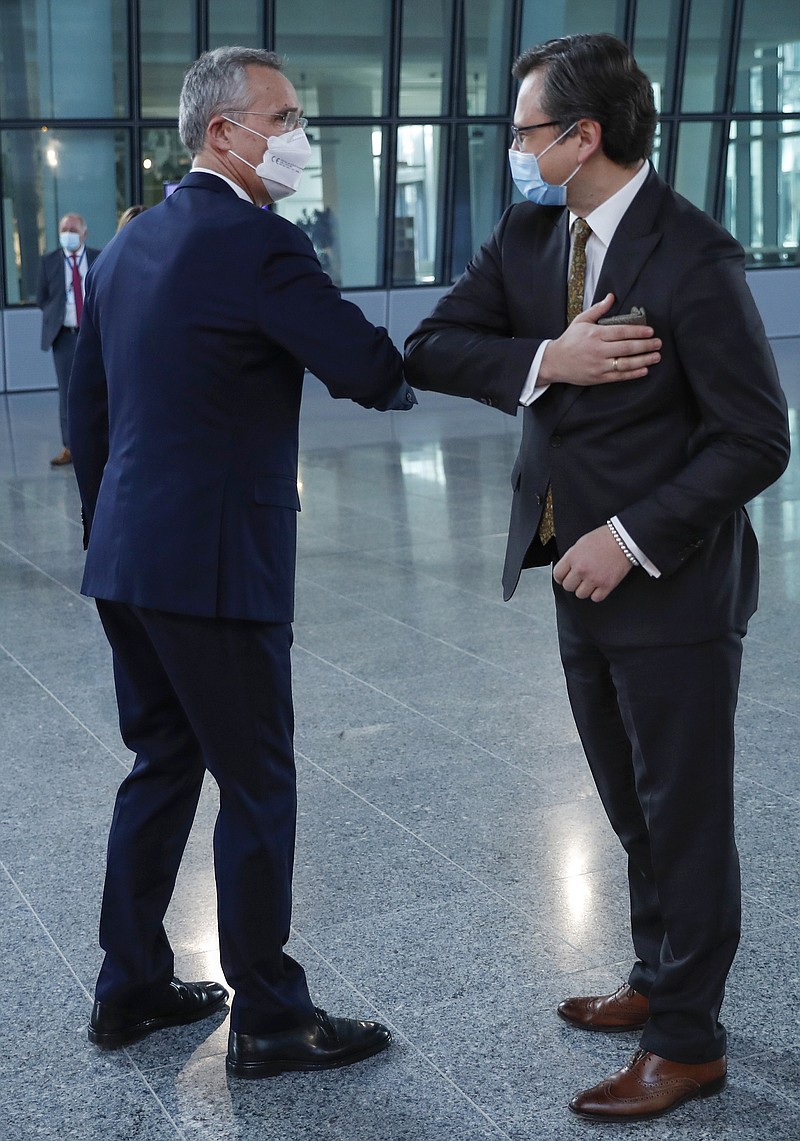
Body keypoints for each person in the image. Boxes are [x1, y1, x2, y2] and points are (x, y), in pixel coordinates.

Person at [405, 33, 790, 1124]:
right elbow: (432, 344)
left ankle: (686, 1043)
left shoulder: (692, 255)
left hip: (663, 582)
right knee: (630, 807)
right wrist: (546, 359)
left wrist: (626, 536)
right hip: (570, 572)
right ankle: (658, 976)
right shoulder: (534, 234)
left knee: (683, 816)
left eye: (528, 129)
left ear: (583, 136)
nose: (515, 148)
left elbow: (755, 439)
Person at [68, 46, 415, 1078]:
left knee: (162, 763)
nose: (300, 135)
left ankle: (128, 984)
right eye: (288, 115)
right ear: (224, 132)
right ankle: (269, 1016)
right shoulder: (258, 243)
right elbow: (365, 367)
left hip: (127, 554)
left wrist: (114, 530)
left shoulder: (132, 244)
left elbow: (90, 407)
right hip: (213, 564)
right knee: (257, 783)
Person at [36, 213, 101, 466]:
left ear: (84, 233)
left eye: (72, 229)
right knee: (67, 392)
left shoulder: (97, 257)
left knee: (99, 387)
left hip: (94, 333)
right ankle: (70, 447)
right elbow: (42, 297)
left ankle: (100, 441)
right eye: (64, 229)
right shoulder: (49, 261)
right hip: (64, 336)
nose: (68, 234)